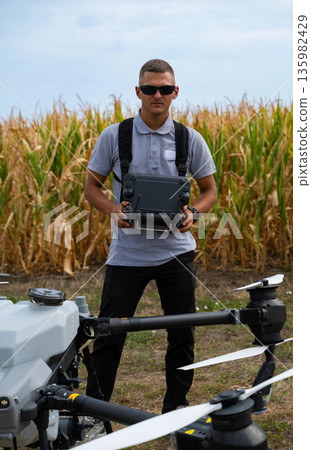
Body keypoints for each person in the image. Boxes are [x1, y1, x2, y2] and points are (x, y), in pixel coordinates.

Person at [84, 59, 217, 414]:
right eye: (149, 89)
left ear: (175, 92)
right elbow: (91, 187)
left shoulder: (191, 139)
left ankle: (176, 409)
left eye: (164, 89)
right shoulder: (114, 135)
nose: (156, 95)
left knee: (182, 335)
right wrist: (115, 210)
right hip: (127, 255)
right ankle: (94, 412)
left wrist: (195, 213)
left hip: (177, 253)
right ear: (138, 92)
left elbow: (209, 190)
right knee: (109, 334)